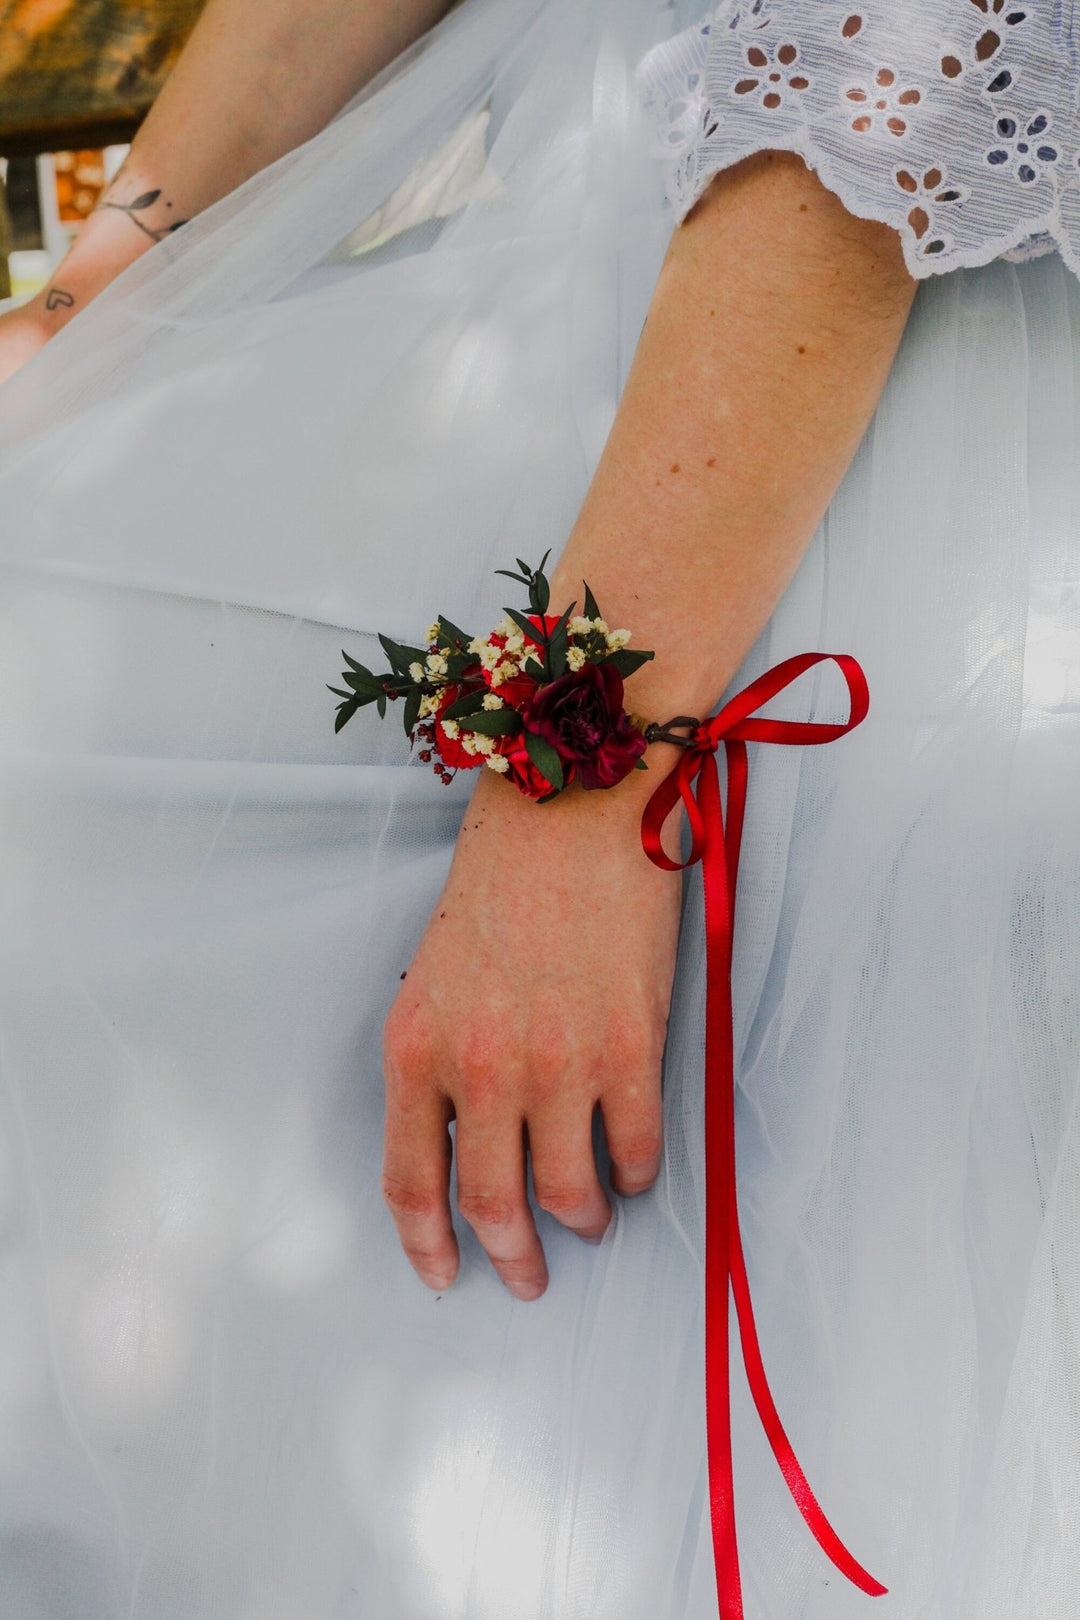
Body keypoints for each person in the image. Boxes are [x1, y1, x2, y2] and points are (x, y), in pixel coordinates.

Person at [0, 0, 1076, 1615]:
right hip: (548, 271)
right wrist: (103, 285)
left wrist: (581, 764)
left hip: (828, 367)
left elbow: (890, 66)